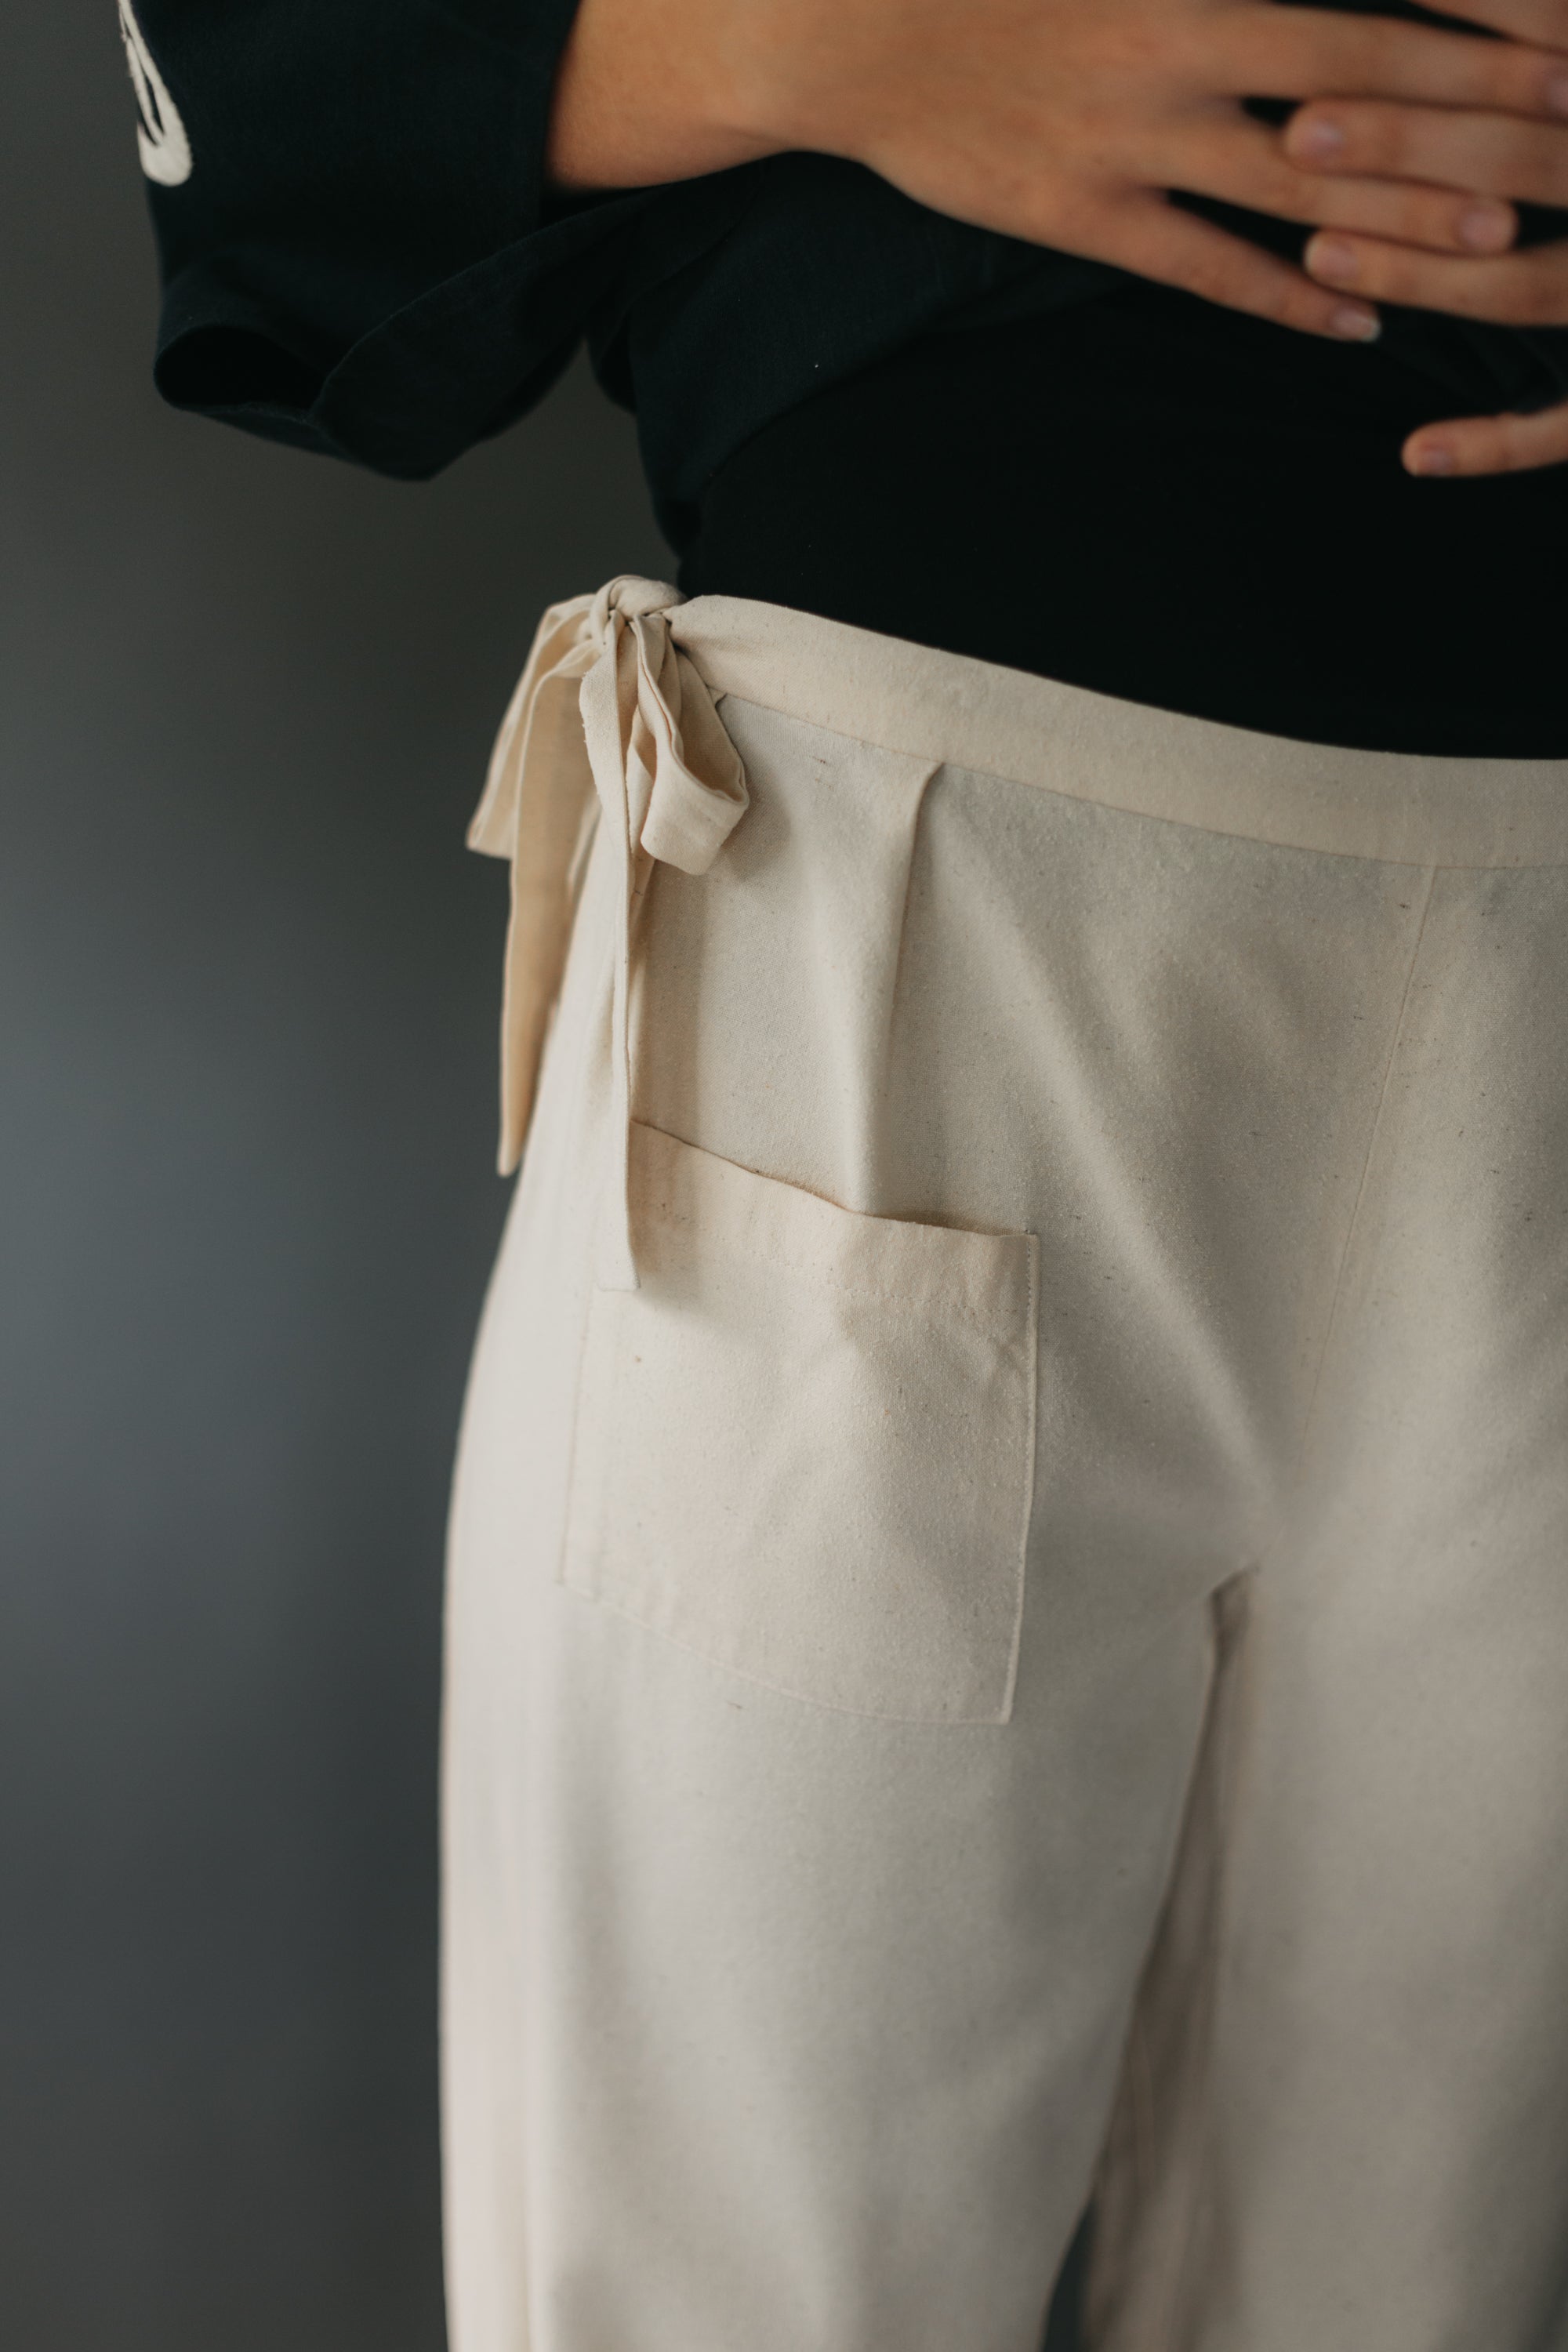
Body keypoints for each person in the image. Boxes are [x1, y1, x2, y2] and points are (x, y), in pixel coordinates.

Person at [125, 2, 1568, 2346]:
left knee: (1434, 2291)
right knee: (738, 2293)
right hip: (916, 896)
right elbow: (282, 75)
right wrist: (867, 42)